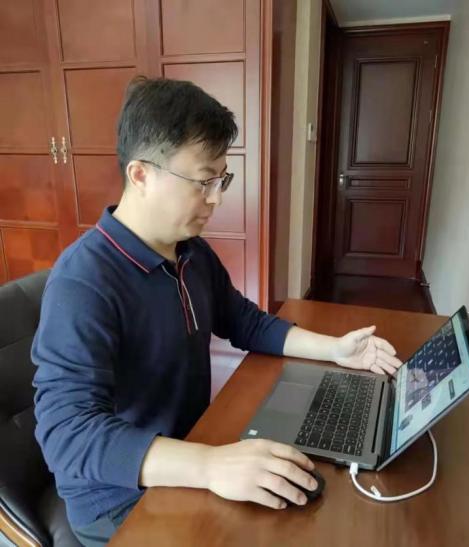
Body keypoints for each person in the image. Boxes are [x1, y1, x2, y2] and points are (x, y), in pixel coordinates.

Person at [32, 77, 402, 546]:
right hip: (119, 497)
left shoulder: (190, 252)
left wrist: (335, 350)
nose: (216, 198)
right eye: (203, 181)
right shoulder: (83, 282)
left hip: (191, 449)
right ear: (141, 174)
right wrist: (210, 465)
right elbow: (67, 435)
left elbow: (243, 321)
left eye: (220, 180)